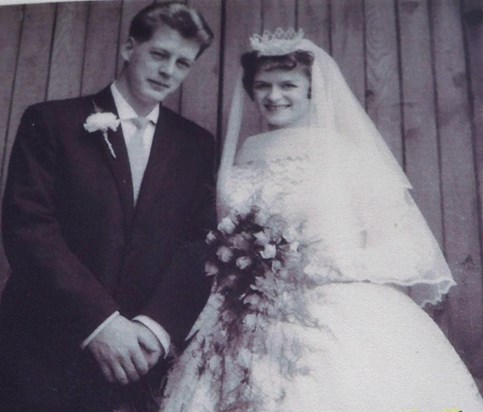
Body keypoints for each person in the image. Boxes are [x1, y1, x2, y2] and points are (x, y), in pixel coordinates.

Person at [159, 29, 483, 411]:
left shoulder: (348, 157)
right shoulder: (244, 155)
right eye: (263, 85)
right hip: (244, 314)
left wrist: (329, 265)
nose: (274, 96)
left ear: (313, 89)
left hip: (336, 311)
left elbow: (408, 247)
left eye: (288, 85)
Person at [0, 2, 215, 411]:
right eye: (159, 54)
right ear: (128, 47)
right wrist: (100, 324)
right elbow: (29, 228)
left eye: (183, 63)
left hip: (138, 361)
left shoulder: (197, 145)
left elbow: (198, 245)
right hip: (43, 350)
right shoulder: (50, 122)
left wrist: (154, 330)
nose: (168, 71)